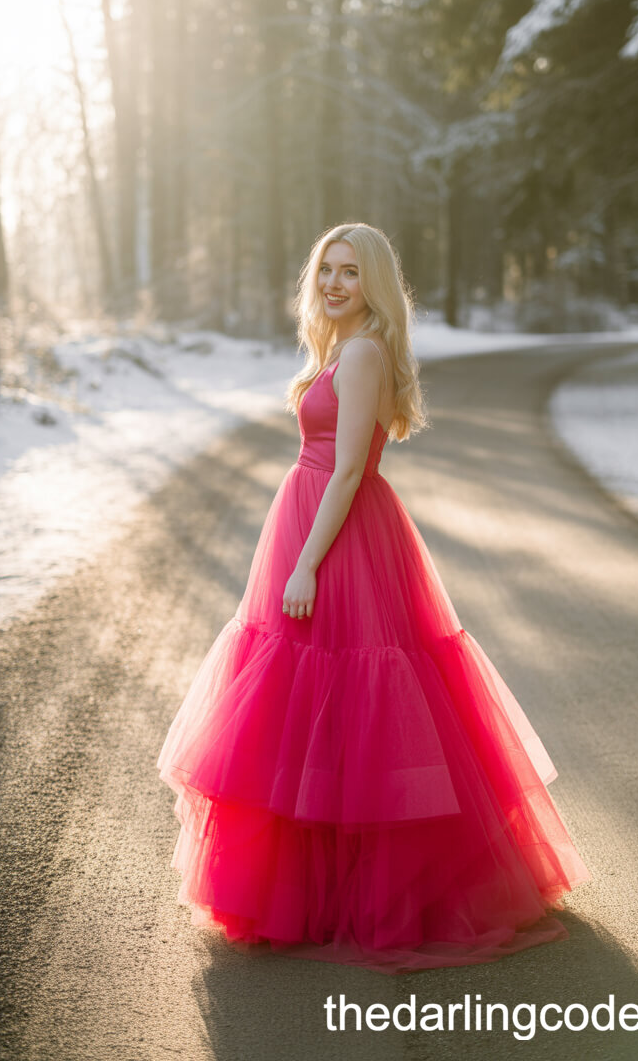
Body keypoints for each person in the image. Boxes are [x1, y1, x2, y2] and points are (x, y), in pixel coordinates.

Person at [157, 222, 589, 974]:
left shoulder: (361, 353)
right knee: (315, 706)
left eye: (351, 273)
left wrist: (306, 567)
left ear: (375, 284)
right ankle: (318, 891)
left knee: (345, 695)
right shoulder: (343, 347)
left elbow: (349, 470)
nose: (333, 283)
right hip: (320, 521)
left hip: (338, 532)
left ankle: (362, 895)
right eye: (327, 268)